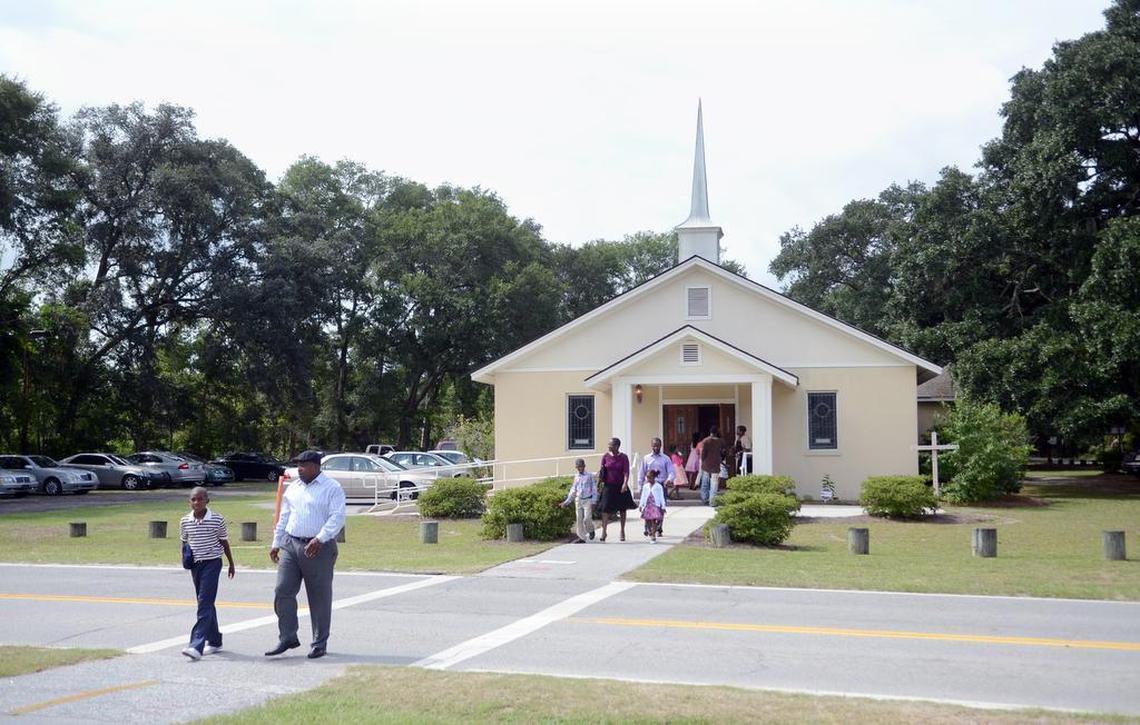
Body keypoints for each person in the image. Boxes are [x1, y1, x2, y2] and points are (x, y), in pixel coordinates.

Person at [267, 450, 346, 660]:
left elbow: (337, 517)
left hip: (319, 547)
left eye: (303, 465)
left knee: (319, 597)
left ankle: (319, 643)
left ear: (315, 466)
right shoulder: (294, 488)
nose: (299, 469)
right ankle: (287, 636)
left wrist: (320, 538)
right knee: (282, 590)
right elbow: (284, 517)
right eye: (298, 465)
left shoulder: (332, 488)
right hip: (291, 545)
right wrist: (276, 543)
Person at [179, 486, 235, 661]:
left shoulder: (217, 519)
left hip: (213, 563)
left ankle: (196, 646)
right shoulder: (185, 521)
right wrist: (186, 560)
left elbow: (224, 542)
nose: (197, 502)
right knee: (206, 602)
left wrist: (231, 564)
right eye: (193, 499)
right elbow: (185, 543)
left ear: (207, 501)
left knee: (204, 603)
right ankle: (216, 641)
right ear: (189, 501)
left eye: (200, 499)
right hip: (196, 566)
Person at [597, 437, 634, 542]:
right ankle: (604, 531)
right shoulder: (605, 456)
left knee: (622, 509)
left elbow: (626, 472)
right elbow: (602, 471)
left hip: (620, 486)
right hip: (608, 486)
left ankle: (622, 531)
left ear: (617, 446)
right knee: (605, 509)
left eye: (611, 445)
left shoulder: (624, 457)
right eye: (609, 444)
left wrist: (625, 484)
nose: (609, 446)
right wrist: (598, 485)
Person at [638, 437, 674, 536]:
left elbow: (671, 472)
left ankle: (658, 529)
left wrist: (669, 480)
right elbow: (641, 473)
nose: (656, 448)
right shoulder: (646, 458)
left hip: (661, 486)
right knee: (647, 507)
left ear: (660, 446)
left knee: (660, 507)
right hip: (648, 486)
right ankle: (648, 528)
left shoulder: (666, 458)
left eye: (657, 446)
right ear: (651, 446)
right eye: (654, 446)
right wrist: (640, 486)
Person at [559, 458, 598, 543]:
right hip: (578, 500)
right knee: (579, 519)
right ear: (576, 467)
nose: (579, 468)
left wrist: (594, 501)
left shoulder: (589, 476)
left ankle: (591, 530)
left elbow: (594, 489)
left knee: (587, 518)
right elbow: (573, 489)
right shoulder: (576, 477)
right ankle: (582, 537)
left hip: (587, 499)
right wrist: (566, 502)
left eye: (581, 466)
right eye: (578, 467)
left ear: (584, 466)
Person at [698, 425, 726, 505]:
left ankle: (704, 499)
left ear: (710, 432)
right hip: (716, 465)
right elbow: (723, 452)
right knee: (714, 484)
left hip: (706, 464)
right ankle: (712, 502)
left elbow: (703, 454)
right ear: (717, 432)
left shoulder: (705, 441)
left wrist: (703, 461)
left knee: (704, 483)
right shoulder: (720, 441)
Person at [638, 469, 666, 543]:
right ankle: (650, 531)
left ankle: (653, 535)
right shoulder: (645, 486)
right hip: (647, 505)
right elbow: (643, 496)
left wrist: (663, 506)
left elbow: (661, 497)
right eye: (647, 477)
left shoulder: (658, 486)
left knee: (653, 520)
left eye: (650, 477)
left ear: (654, 477)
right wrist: (641, 505)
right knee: (647, 520)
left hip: (655, 505)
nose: (648, 479)